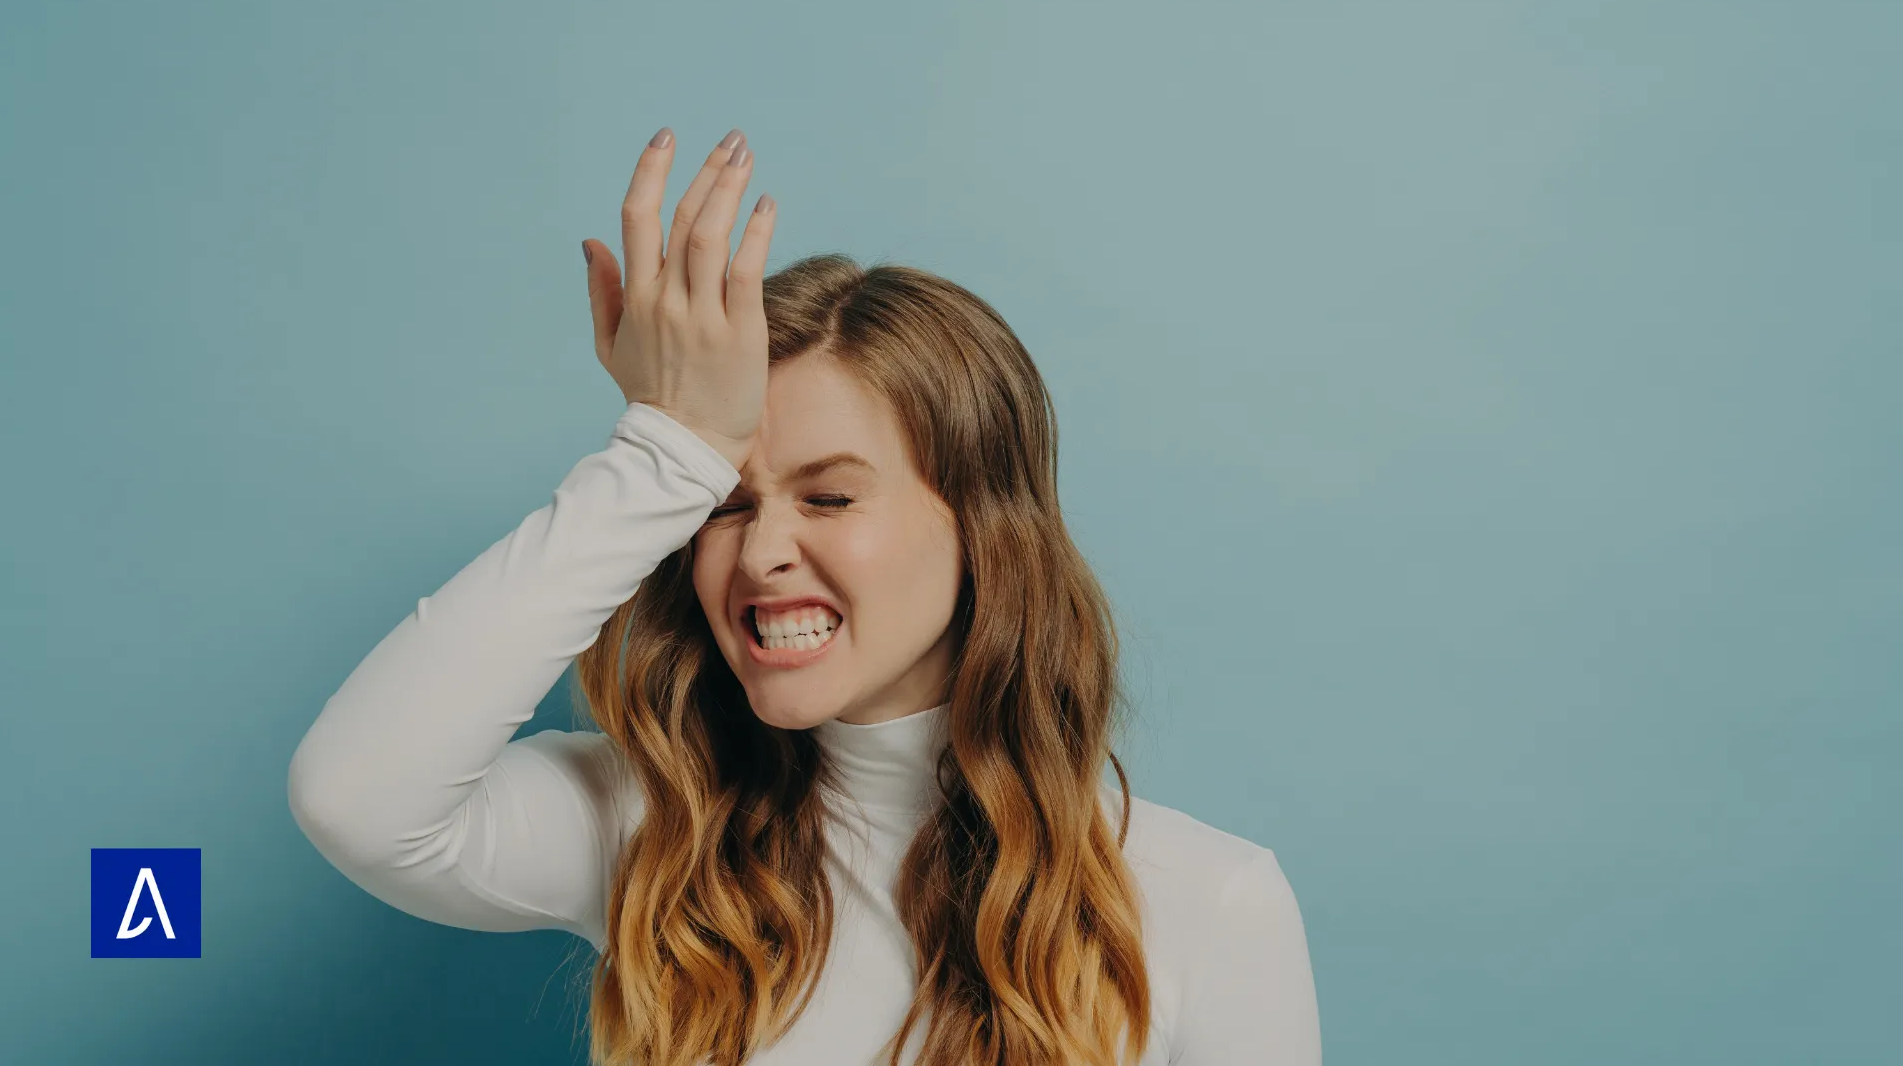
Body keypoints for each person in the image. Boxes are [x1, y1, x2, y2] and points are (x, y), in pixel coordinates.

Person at [287, 125, 1320, 1066]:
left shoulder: (1210, 906)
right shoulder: (653, 831)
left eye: (828, 496)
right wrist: (666, 454)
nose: (761, 552)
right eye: (726, 505)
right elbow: (358, 799)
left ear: (983, 530)